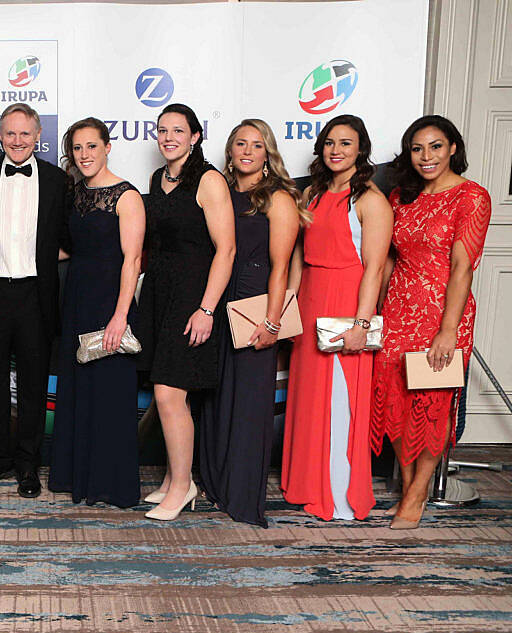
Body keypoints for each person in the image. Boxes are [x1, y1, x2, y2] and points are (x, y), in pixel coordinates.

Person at [371, 115, 491, 529]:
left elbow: (462, 268)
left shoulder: (471, 197)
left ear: (453, 148)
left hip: (443, 312)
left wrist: (447, 330)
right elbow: (388, 258)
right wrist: (373, 311)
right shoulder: (402, 197)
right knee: (397, 404)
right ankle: (408, 484)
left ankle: (418, 493)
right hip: (398, 310)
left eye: (436, 146)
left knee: (432, 407)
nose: (427, 157)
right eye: (418, 148)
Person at [281, 114, 393, 521]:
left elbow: (375, 269)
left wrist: (361, 325)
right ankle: (307, 484)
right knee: (309, 402)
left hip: (346, 302)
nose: (336, 150)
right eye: (329, 142)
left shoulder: (370, 200)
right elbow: (297, 255)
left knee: (339, 404)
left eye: (345, 143)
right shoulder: (310, 193)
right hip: (311, 300)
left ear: (360, 149)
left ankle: (340, 496)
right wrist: (288, 305)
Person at [197, 118, 306, 528]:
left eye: (256, 145)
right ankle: (215, 484)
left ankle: (242, 496)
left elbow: (281, 267)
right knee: (216, 398)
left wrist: (272, 322)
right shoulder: (218, 190)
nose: (246, 151)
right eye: (240, 143)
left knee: (249, 405)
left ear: (268, 154)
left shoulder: (277, 198)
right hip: (218, 297)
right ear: (229, 150)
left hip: (257, 302)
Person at [136, 103, 236, 521]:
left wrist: (206, 309)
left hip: (192, 299)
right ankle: (171, 480)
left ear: (195, 136)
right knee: (168, 395)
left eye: (179, 130)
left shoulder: (210, 180)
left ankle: (183, 486)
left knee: (169, 394)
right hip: (159, 296)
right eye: (162, 130)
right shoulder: (158, 179)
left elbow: (226, 250)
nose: (169, 137)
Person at [0, 103, 68, 499]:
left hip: (35, 293)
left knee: (33, 383)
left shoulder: (58, 180)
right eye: (11, 133)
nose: (18, 141)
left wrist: (40, 258)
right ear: (0, 135)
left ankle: (28, 465)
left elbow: (67, 240)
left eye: (26, 133)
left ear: (38, 135)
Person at [48, 118, 144, 508]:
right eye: (77, 148)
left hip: (110, 299)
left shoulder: (127, 196)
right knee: (78, 388)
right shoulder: (76, 195)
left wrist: (120, 317)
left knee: (109, 391)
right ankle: (78, 476)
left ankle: (109, 482)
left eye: (92, 146)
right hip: (77, 297)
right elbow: (71, 248)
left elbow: (132, 260)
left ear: (107, 146)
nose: (84, 155)